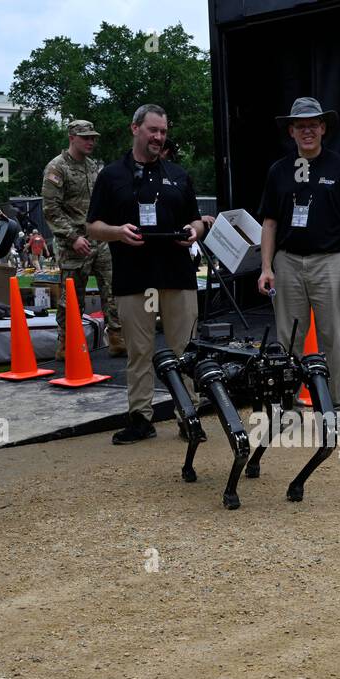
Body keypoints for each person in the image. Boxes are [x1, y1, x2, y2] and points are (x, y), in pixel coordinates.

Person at [87, 104, 206, 444]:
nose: (158, 137)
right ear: (135, 129)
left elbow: (197, 219)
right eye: (153, 130)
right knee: (139, 351)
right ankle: (141, 417)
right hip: (133, 277)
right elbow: (93, 226)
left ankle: (189, 415)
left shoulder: (179, 175)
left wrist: (194, 230)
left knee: (184, 349)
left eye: (163, 132)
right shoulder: (111, 176)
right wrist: (117, 232)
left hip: (177, 275)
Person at [256, 97, 340, 414]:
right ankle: (285, 404)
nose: (307, 131)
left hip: (331, 261)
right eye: (300, 125)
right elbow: (270, 222)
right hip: (288, 261)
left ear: (323, 128)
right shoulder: (278, 171)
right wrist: (266, 267)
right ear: (291, 131)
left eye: (313, 125)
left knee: (336, 338)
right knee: (287, 339)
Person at [42, 119, 122, 359]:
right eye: (85, 137)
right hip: (73, 244)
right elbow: (51, 209)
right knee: (72, 296)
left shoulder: (94, 167)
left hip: (99, 239)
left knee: (112, 288)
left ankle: (117, 337)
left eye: (93, 137)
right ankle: (67, 342)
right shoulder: (57, 168)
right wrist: (73, 236)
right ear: (72, 138)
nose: (91, 141)